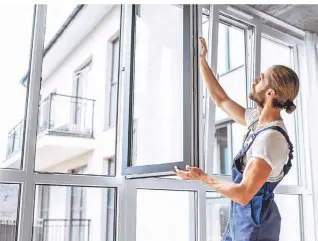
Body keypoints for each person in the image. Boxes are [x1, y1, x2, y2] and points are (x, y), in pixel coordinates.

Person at [174, 37, 300, 241]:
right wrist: (202, 61)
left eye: (261, 79)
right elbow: (221, 100)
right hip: (241, 218)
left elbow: (243, 194)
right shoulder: (256, 121)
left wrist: (204, 178)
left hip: (255, 226)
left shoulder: (270, 139)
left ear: (270, 93)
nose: (255, 80)